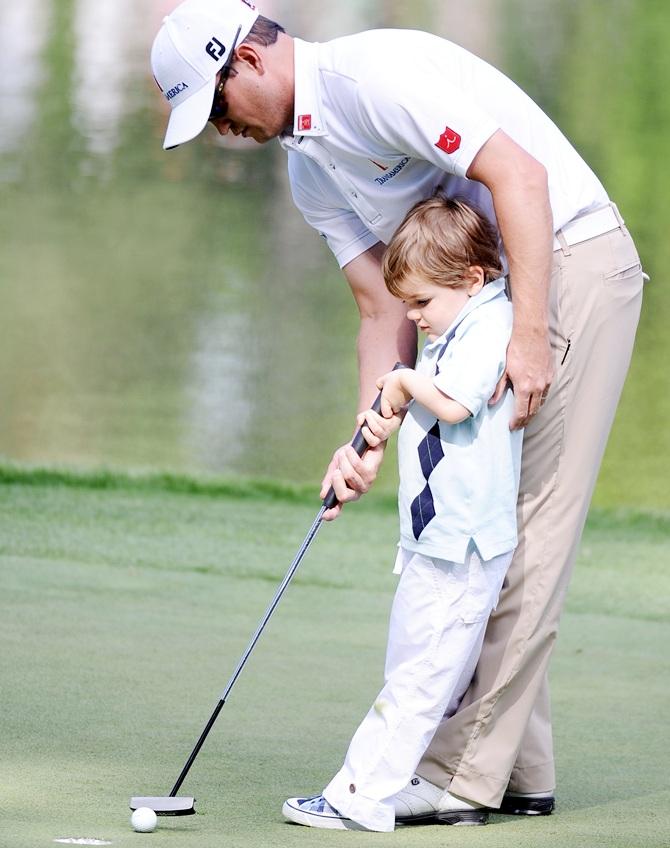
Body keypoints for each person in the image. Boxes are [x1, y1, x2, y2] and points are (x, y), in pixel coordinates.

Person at [150, 0, 645, 826]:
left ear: (246, 61)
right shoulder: (308, 168)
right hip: (486, 306)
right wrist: (365, 436)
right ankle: (519, 770)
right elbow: (382, 311)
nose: (219, 130)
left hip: (566, 263)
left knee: (519, 528)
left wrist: (529, 334)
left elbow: (521, 177)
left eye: (216, 107)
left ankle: (457, 775)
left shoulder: (371, 80)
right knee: (480, 513)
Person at [283, 195, 522, 831]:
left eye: (420, 302)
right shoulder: (454, 326)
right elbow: (419, 399)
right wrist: (378, 422)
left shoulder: (491, 325)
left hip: (463, 543)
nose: (411, 317)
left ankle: (359, 796)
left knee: (418, 677)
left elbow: (455, 405)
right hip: (433, 534)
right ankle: (385, 784)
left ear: (471, 280)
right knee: (411, 665)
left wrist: (402, 382)